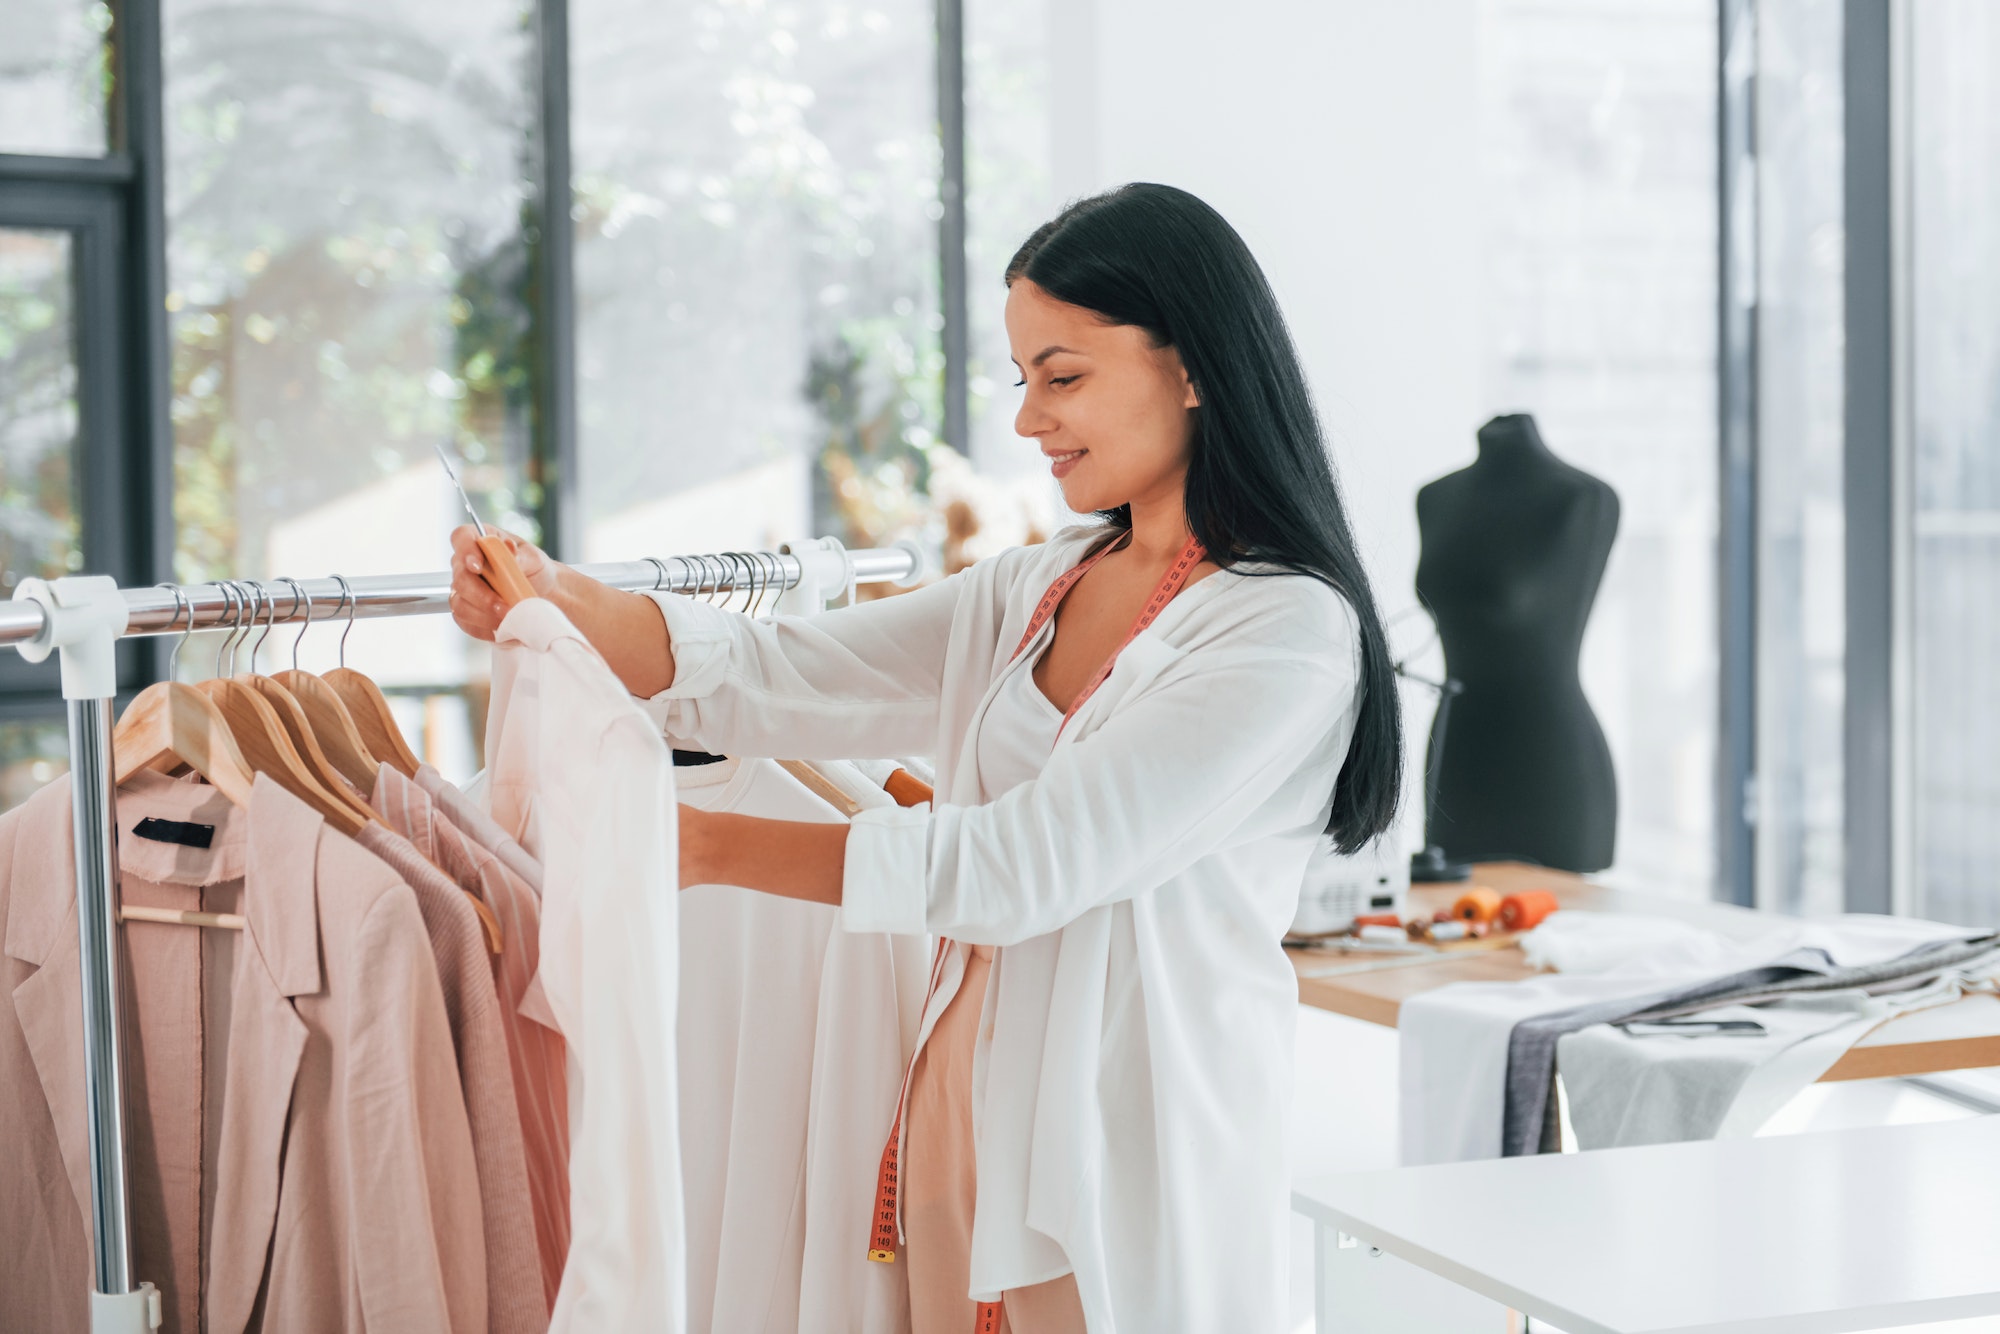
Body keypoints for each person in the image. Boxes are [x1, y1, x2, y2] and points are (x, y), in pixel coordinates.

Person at [448, 182, 1402, 1334]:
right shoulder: (1035, 583)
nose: (1027, 420)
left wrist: (699, 845)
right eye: (1023, 381)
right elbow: (779, 671)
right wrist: (557, 600)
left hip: (1123, 1154)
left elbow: (1022, 866)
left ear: (1192, 365)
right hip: (957, 1115)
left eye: (1064, 376)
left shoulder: (1281, 631)